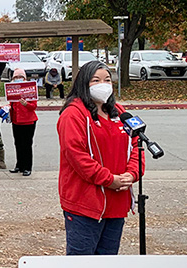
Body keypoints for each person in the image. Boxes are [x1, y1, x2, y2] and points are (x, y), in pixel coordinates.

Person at [57, 61, 142, 255]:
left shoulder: (119, 112)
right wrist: (108, 179)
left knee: (107, 264)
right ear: (84, 83)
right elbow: (77, 155)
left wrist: (132, 174)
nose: (103, 84)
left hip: (117, 201)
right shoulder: (73, 114)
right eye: (96, 80)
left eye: (107, 80)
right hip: (85, 204)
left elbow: (137, 145)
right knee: (82, 265)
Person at [8, 69, 38, 176]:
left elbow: (34, 106)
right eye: (15, 77)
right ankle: (19, 165)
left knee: (27, 145)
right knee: (18, 144)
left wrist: (26, 104)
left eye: (20, 77)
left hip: (28, 121)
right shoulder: (12, 89)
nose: (18, 79)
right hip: (16, 121)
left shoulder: (29, 89)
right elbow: (12, 105)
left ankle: (27, 167)